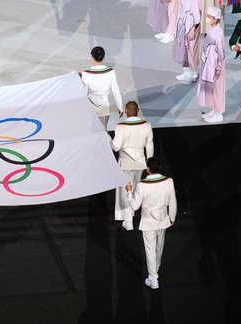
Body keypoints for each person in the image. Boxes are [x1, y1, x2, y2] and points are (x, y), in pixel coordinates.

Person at [125, 157, 177, 289]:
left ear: (147, 169)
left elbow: (134, 206)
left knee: (150, 250)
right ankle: (155, 269)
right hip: (163, 219)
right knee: (159, 247)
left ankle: (153, 279)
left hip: (149, 222)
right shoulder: (169, 181)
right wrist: (172, 217)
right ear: (159, 168)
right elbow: (173, 202)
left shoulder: (142, 185)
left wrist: (129, 191)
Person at [111, 101, 154, 231]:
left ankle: (128, 220)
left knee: (125, 191)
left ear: (126, 111)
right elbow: (150, 146)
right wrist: (149, 164)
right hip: (141, 162)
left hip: (125, 162)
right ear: (138, 110)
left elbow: (116, 146)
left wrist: (110, 142)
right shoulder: (147, 125)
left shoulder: (120, 126)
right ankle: (130, 216)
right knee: (135, 189)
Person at [80, 46, 124, 129]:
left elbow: (84, 94)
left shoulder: (86, 74)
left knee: (92, 133)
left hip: (91, 109)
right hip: (104, 108)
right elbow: (116, 92)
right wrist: (120, 107)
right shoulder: (111, 72)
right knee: (103, 133)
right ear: (103, 57)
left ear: (92, 57)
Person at [197, 7, 225, 123]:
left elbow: (221, 51)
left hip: (215, 66)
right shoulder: (211, 30)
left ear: (215, 19)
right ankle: (214, 109)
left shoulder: (219, 32)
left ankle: (218, 113)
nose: (207, 18)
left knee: (217, 88)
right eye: (207, 16)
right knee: (211, 88)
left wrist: (218, 67)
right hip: (208, 64)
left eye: (209, 17)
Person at [172, 0, 201, 84]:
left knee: (192, 49)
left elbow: (197, 15)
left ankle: (193, 73)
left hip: (192, 24)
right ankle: (186, 71)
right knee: (184, 49)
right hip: (183, 21)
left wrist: (192, 29)